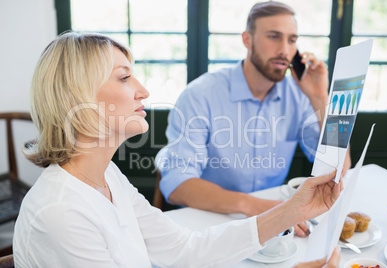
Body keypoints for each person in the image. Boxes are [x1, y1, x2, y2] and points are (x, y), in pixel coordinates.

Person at [13, 32, 341, 267]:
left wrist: (291, 211)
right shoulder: (61, 213)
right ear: (78, 98)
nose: (143, 90)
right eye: (124, 78)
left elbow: (184, 248)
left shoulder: (107, 176)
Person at [155, 1, 351, 237]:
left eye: (291, 40)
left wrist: (320, 98)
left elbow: (338, 168)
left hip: (272, 222)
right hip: (209, 220)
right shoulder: (200, 95)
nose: (285, 51)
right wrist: (258, 207)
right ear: (247, 39)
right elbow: (177, 185)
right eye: (273, 37)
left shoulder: (299, 95)